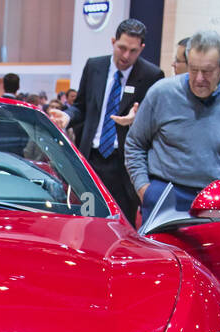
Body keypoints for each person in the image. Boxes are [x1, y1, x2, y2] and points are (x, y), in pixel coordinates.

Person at [124, 29, 220, 218]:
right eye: (193, 69)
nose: (199, 79)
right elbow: (134, 143)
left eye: (207, 71)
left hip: (213, 199)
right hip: (163, 193)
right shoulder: (161, 93)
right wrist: (145, 189)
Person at [49, 18, 164, 224]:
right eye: (122, 48)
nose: (126, 56)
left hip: (124, 167)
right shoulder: (95, 66)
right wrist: (68, 115)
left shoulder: (151, 75)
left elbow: (155, 123)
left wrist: (136, 120)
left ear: (142, 48)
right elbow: (82, 108)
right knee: (86, 221)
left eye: (133, 51)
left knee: (120, 227)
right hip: (91, 161)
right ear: (113, 42)